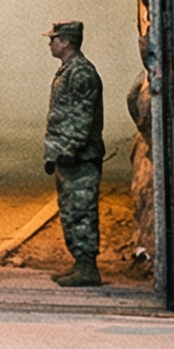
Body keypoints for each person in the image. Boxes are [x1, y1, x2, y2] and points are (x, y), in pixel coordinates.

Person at [44, 19, 106, 287]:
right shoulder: (68, 70)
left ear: (66, 41)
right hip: (68, 156)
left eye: (53, 39)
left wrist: (68, 150)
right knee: (70, 211)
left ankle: (88, 267)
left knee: (81, 211)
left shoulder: (81, 72)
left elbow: (82, 116)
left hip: (80, 157)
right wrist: (53, 154)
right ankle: (80, 264)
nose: (50, 43)